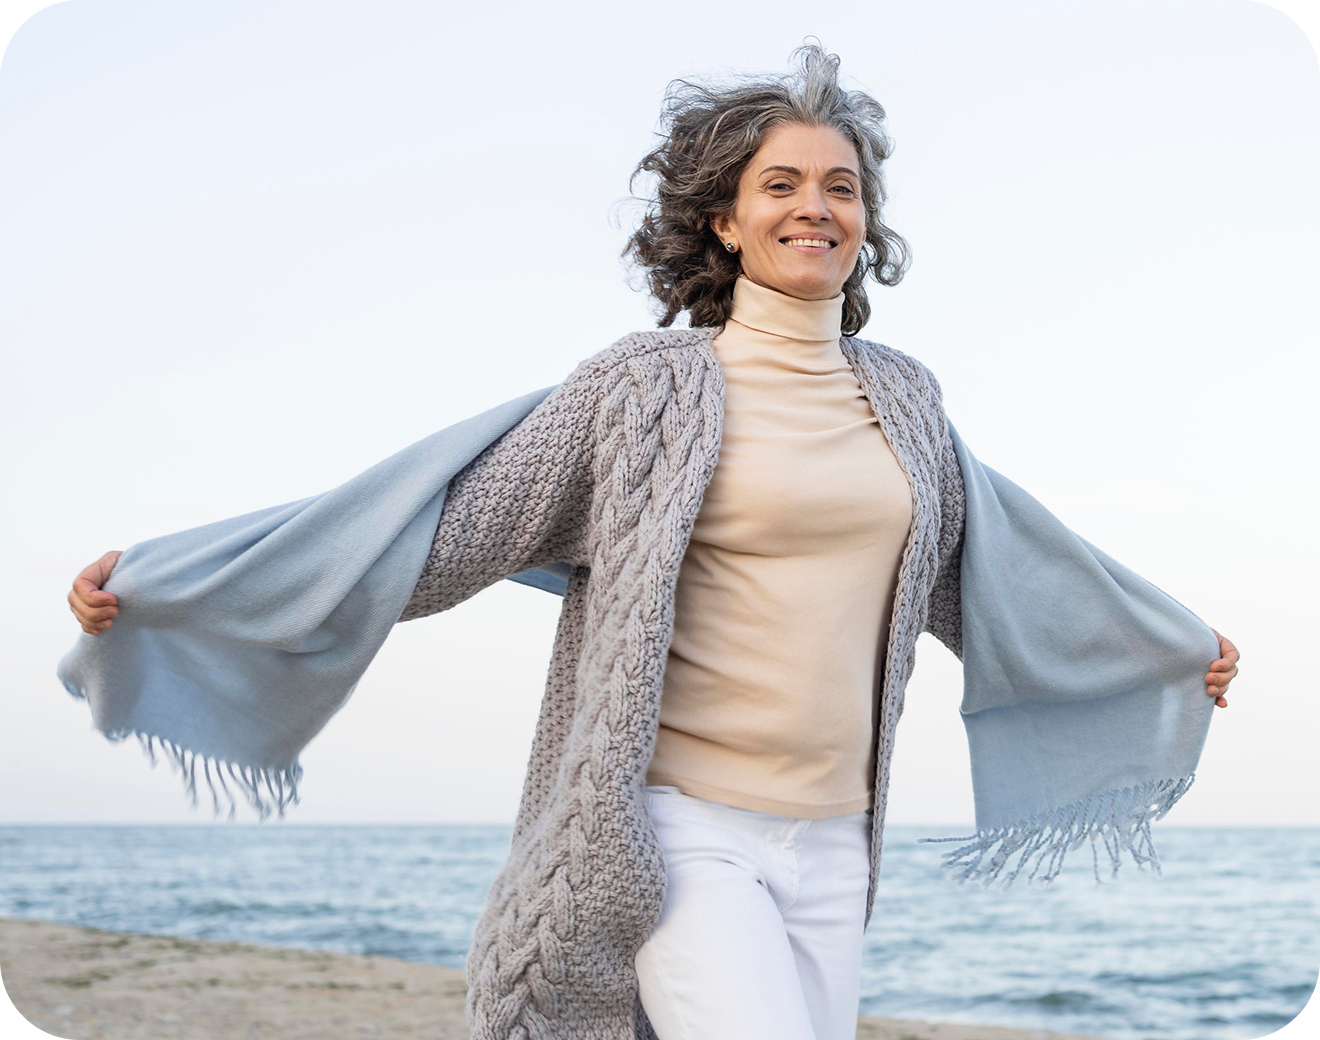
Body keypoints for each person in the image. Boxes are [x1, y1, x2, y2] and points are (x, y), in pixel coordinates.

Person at [65, 40, 1240, 1040]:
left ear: (866, 220)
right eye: (780, 184)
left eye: (840, 185)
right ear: (725, 220)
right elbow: (443, 527)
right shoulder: (648, 390)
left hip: (838, 842)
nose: (814, 207)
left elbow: (999, 572)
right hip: (676, 829)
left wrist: (1163, 648)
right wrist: (177, 582)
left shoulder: (908, 399)